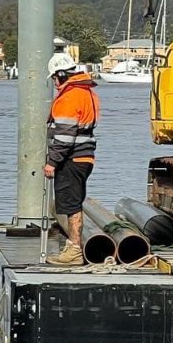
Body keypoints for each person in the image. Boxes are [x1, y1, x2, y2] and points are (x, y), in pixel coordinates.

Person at [44, 51, 99, 266]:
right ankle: (73, 247)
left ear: (61, 74)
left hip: (71, 159)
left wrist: (52, 162)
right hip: (84, 157)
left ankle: (74, 250)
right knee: (72, 202)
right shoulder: (86, 93)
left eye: (55, 78)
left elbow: (65, 136)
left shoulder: (70, 97)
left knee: (71, 204)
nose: (55, 83)